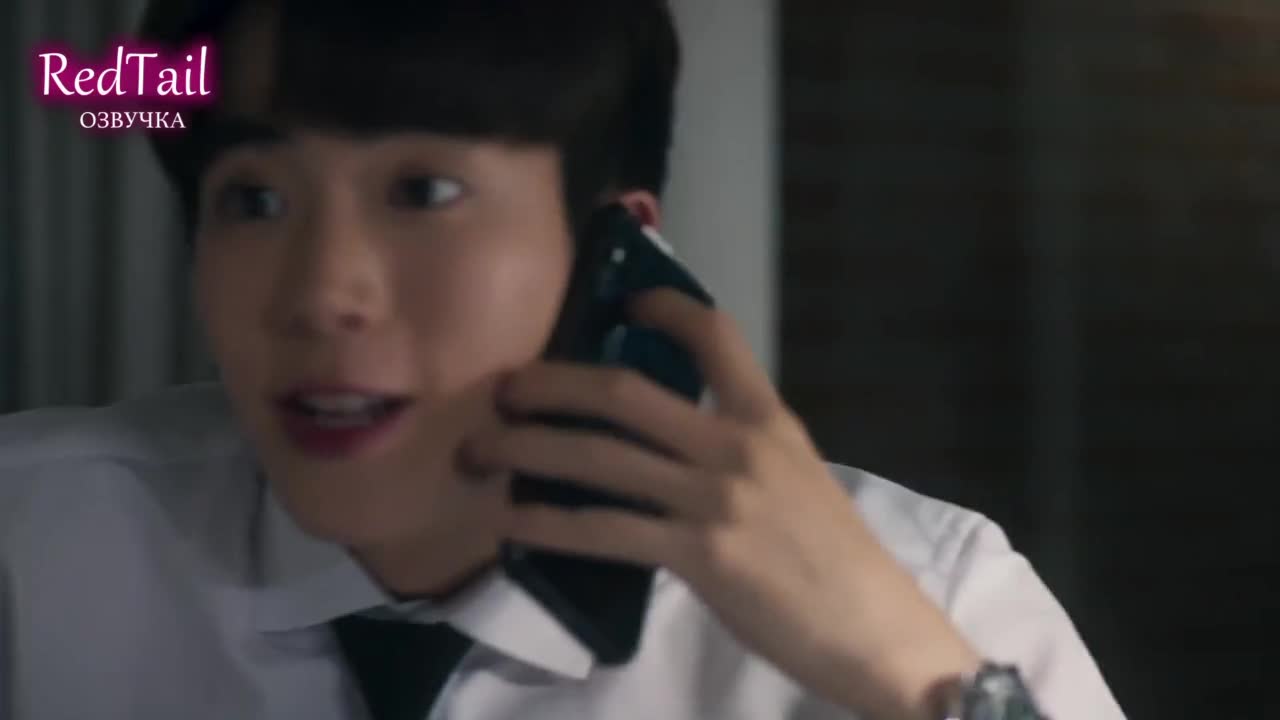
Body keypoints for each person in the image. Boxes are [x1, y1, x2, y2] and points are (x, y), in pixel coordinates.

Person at [0, 1, 1127, 718]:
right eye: (253, 199)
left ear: (616, 247)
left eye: (423, 191)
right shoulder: (29, 547)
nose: (321, 292)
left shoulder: (931, 597)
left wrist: (916, 678)